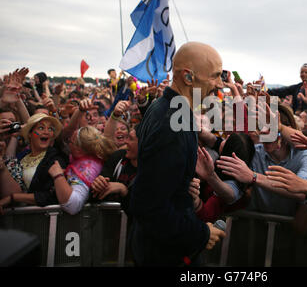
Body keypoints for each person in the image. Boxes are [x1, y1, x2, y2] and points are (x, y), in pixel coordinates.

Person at [129, 41, 226, 266]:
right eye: (215, 76)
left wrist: (180, 184)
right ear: (188, 77)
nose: (220, 84)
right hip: (164, 253)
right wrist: (201, 233)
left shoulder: (164, 108)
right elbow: (149, 206)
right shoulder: (174, 123)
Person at [0, 113, 68, 211]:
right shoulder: (21, 156)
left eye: (50, 129)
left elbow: (52, 196)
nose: (46, 132)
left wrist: (13, 197)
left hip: (38, 219)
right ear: (29, 134)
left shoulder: (56, 159)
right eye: (41, 128)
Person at [47, 126, 116, 215]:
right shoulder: (91, 157)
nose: (68, 144)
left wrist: (58, 176)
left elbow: (73, 206)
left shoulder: (86, 169)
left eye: (70, 141)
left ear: (78, 149)